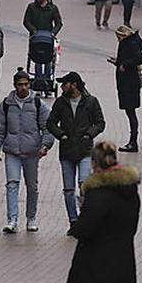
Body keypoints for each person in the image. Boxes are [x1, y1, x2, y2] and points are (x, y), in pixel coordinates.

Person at [66, 141, 140, 283]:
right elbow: (131, 226)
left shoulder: (99, 194)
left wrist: (81, 214)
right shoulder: (128, 190)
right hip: (116, 262)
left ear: (95, 163)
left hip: (98, 269)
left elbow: (84, 228)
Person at [0, 68, 54, 233]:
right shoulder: (6, 104)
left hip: (32, 151)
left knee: (32, 186)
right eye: (20, 85)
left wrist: (45, 145)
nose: (23, 88)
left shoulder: (38, 104)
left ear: (29, 85)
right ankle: (12, 220)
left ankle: (31, 218)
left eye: (26, 84)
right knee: (12, 184)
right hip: (12, 151)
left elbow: (48, 127)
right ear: (14, 86)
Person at [46, 71, 106, 235]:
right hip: (66, 150)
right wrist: (61, 135)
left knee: (84, 184)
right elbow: (50, 122)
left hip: (84, 149)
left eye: (64, 83)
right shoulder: (60, 103)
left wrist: (89, 134)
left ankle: (86, 219)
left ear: (74, 84)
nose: (62, 86)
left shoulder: (91, 101)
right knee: (68, 190)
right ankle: (73, 221)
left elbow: (100, 123)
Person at [108, 25, 142, 153]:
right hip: (127, 82)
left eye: (118, 36)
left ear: (123, 35)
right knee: (130, 112)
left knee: (131, 112)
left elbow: (139, 58)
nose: (117, 39)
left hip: (129, 83)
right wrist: (118, 62)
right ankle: (132, 140)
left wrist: (125, 64)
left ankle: (133, 141)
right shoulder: (127, 43)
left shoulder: (130, 44)